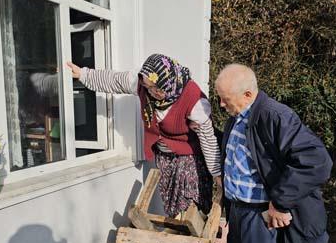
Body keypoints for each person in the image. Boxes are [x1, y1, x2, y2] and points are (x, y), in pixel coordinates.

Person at [66, 54, 222, 218]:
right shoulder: (143, 83)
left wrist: (217, 173)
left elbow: (208, 140)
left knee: (190, 204)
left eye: (156, 88)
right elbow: (114, 80)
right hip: (165, 156)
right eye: (148, 87)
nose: (152, 92)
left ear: (167, 82)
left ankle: (193, 239)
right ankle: (176, 239)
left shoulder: (194, 99)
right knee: (172, 207)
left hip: (190, 156)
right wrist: (83, 74)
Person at [215, 64, 332, 243]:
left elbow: (316, 161)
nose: (221, 104)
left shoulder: (275, 116)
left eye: (226, 99)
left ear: (248, 94)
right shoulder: (237, 117)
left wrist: (280, 203)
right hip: (237, 211)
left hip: (260, 216)